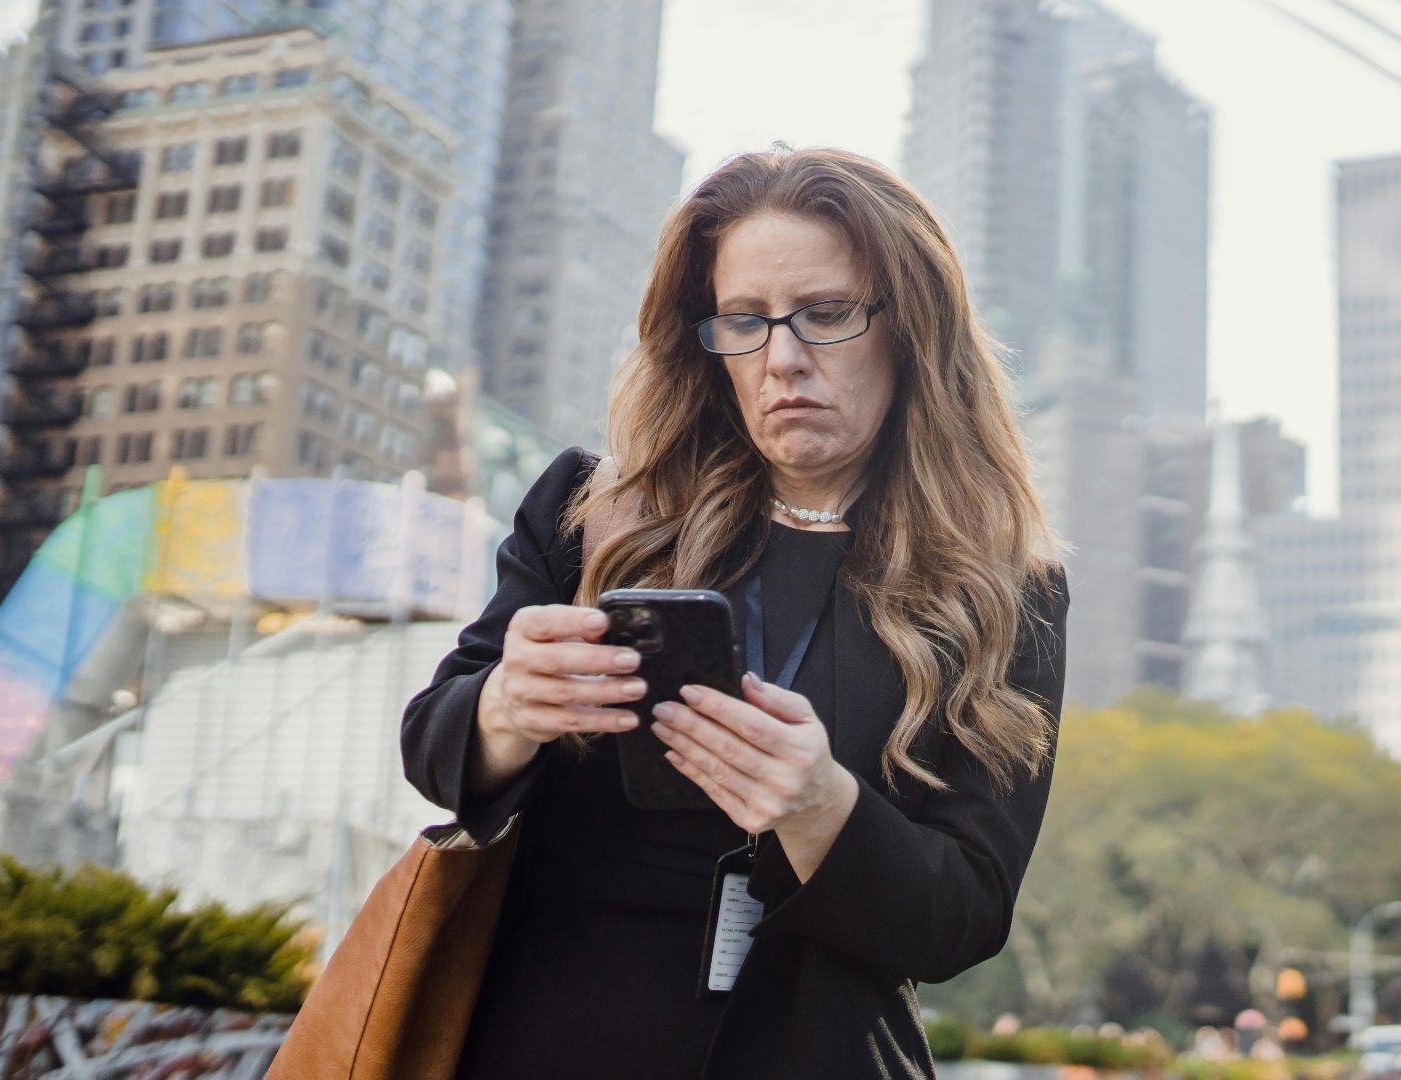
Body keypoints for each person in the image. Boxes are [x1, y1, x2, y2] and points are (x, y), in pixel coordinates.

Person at [401, 146, 1070, 1078]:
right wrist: (506, 707)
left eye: (826, 315)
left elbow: (964, 918)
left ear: (910, 328)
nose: (781, 360)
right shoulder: (590, 513)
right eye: (744, 323)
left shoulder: (1002, 588)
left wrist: (823, 806)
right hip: (543, 1040)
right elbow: (432, 746)